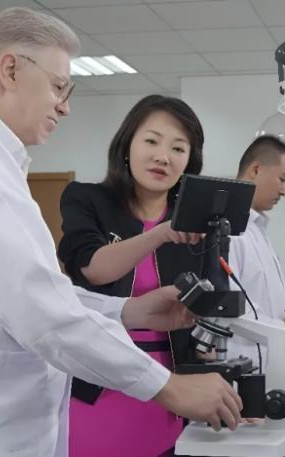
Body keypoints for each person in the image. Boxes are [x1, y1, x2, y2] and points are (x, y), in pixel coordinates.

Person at [0, 8, 241, 457]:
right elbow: (36, 306)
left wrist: (127, 311)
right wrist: (167, 387)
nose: (65, 105)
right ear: (10, 70)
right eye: (59, 87)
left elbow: (34, 291)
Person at [57, 94, 206, 457]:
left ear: (189, 161)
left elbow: (207, 306)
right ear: (127, 146)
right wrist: (159, 234)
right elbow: (92, 269)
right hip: (99, 386)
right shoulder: (87, 199)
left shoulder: (195, 225)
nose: (163, 156)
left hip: (169, 389)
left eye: (178, 148)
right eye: (152, 141)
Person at [227, 135, 285, 366]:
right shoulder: (227, 229)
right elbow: (227, 310)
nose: (284, 191)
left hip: (270, 363)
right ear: (255, 170)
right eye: (282, 179)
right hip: (242, 367)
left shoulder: (258, 229)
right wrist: (283, 327)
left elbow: (259, 302)